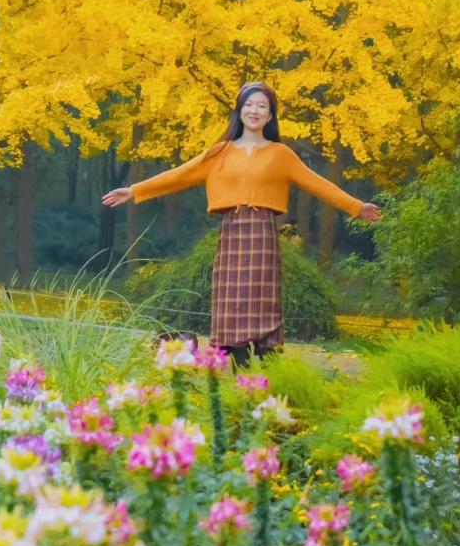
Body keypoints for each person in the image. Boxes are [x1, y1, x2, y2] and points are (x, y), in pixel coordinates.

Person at [102, 82, 382, 368]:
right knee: (231, 303)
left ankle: (267, 373)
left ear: (270, 115)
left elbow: (318, 184)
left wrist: (356, 207)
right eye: (248, 105)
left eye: (262, 106)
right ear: (239, 110)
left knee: (262, 303)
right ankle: (236, 374)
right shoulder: (219, 152)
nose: (254, 111)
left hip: (263, 234)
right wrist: (135, 190)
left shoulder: (281, 154)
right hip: (232, 232)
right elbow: (179, 175)